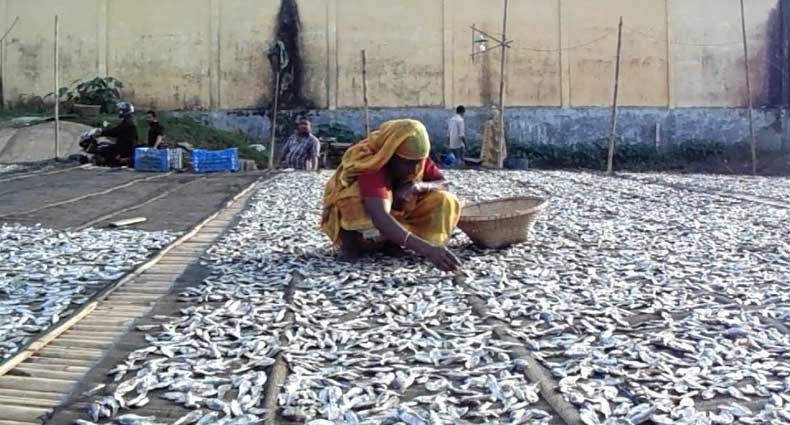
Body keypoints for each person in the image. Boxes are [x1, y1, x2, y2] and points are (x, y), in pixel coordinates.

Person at [321, 119, 462, 272]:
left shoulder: (417, 158)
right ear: (390, 154)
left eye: (419, 162)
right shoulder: (372, 164)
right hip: (365, 207)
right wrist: (427, 250)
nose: (414, 168)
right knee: (353, 198)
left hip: (393, 206)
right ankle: (352, 245)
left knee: (444, 199)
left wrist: (419, 186)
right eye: (407, 163)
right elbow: (380, 216)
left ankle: (392, 242)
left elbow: (443, 183)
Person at [97, 102, 138, 166]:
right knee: (106, 146)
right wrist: (106, 131)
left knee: (104, 149)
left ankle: (109, 164)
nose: (119, 112)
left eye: (120, 110)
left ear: (124, 111)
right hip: (125, 144)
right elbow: (117, 129)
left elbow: (116, 131)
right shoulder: (128, 119)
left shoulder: (128, 121)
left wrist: (102, 133)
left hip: (125, 146)